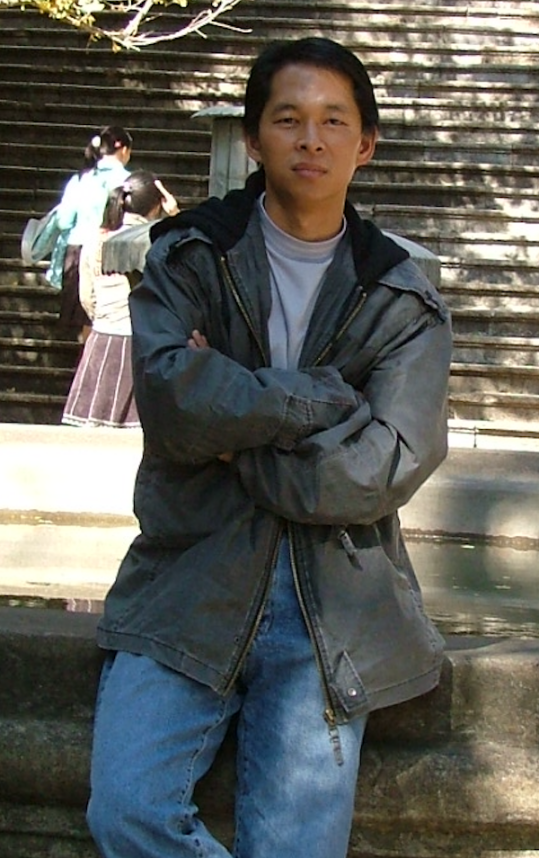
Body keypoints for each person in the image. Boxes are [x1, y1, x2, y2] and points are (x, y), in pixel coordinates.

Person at [87, 37, 452, 858]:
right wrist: (321, 399)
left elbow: (384, 462)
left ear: (365, 144)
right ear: (253, 139)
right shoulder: (190, 255)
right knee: (126, 811)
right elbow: (172, 402)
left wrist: (236, 440)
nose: (310, 140)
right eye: (288, 119)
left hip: (334, 601)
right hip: (188, 577)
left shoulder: (400, 296)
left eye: (333, 121)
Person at [61, 170, 179, 429]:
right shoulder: (159, 240)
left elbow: (87, 296)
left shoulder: (97, 240)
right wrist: (175, 216)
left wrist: (102, 318)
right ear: (157, 204)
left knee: (91, 433)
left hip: (102, 338)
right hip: (143, 341)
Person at [55, 125, 133, 342]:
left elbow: (63, 220)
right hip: (111, 253)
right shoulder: (129, 182)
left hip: (77, 250)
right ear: (124, 150)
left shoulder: (80, 179)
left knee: (83, 317)